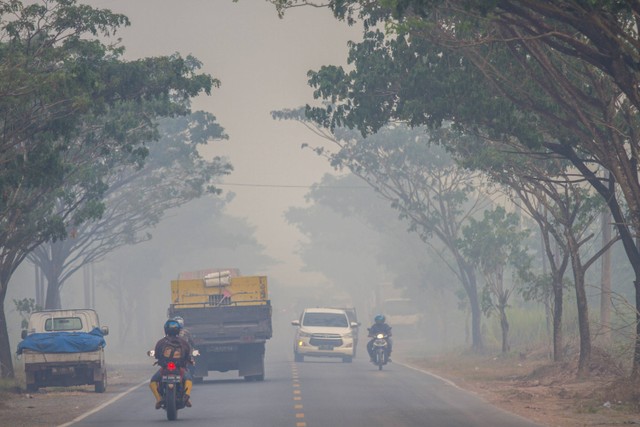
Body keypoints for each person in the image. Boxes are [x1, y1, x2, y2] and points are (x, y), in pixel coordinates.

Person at [149, 319, 194, 409]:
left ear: (166, 330)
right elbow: (187, 355)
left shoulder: (161, 342)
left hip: (165, 368)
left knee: (153, 381)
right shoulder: (183, 342)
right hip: (179, 368)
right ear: (178, 330)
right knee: (188, 379)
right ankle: (186, 396)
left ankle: (158, 399)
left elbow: (157, 355)